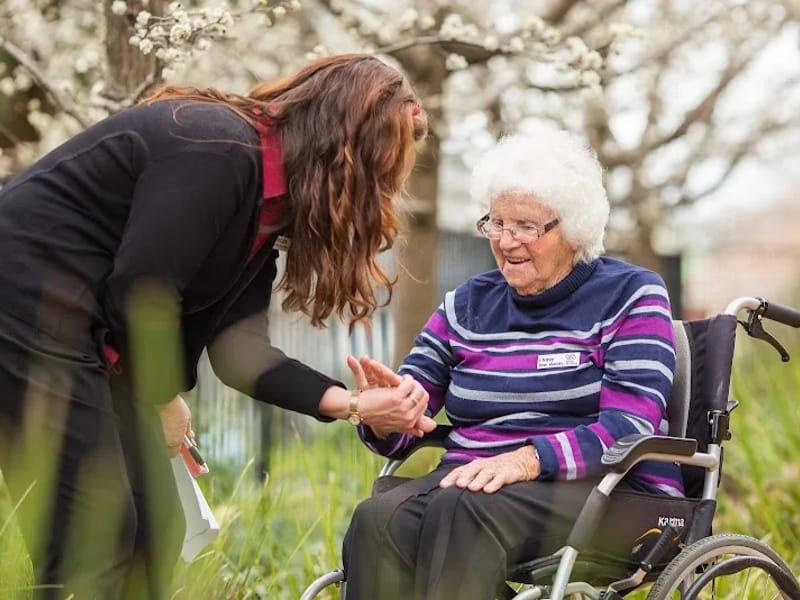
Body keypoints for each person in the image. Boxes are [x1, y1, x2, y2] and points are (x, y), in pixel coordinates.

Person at [0, 53, 433, 598]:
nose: (384, 185)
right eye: (384, 162)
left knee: (159, 527)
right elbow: (143, 285)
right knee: (95, 531)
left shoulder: (267, 204)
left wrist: (350, 405)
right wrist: (161, 398)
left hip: (85, 336)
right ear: (344, 140)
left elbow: (239, 350)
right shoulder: (216, 147)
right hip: (24, 313)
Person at [342, 124, 683, 600]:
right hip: (475, 485)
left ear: (573, 229)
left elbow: (629, 425)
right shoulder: (466, 305)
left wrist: (527, 459)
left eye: (526, 226)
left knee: (463, 509)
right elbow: (407, 420)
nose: (506, 241)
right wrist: (388, 411)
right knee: (377, 519)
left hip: (608, 488)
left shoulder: (631, 294)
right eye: (497, 223)